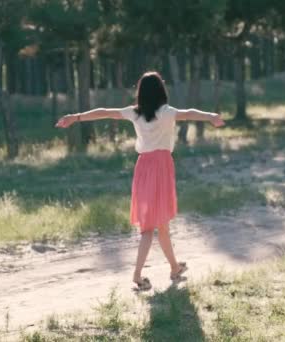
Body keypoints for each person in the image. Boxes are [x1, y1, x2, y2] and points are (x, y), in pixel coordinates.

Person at [56, 71, 225, 291]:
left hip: (143, 168)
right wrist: (211, 116)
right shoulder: (166, 112)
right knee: (149, 228)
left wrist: (76, 117)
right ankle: (137, 275)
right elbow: (189, 113)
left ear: (141, 93)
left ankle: (174, 267)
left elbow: (105, 112)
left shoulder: (135, 113)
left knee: (161, 223)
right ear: (161, 91)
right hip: (161, 168)